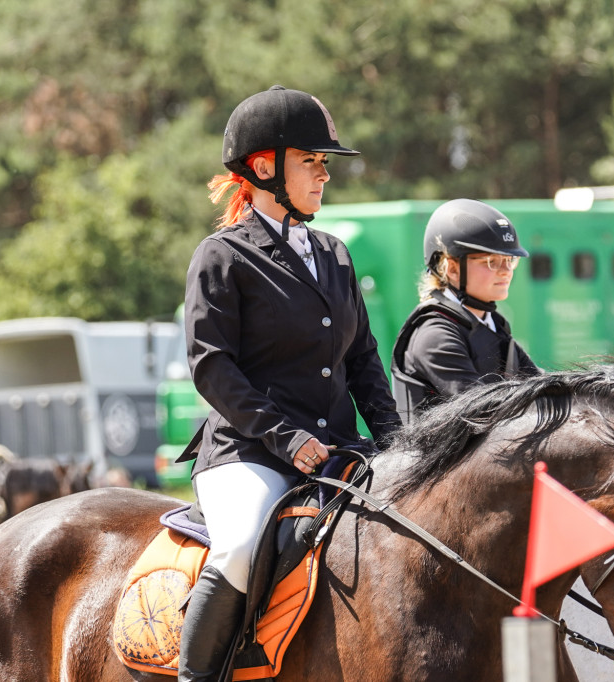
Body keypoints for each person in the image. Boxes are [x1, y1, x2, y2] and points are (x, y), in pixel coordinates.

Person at [176, 85, 401, 682]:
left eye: (325, 163)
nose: (324, 174)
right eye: (312, 161)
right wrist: (287, 438)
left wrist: (401, 443)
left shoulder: (335, 254)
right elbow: (211, 366)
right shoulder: (221, 256)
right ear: (263, 167)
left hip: (335, 448)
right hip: (250, 451)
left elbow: (363, 360)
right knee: (242, 544)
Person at [390, 198, 540, 422]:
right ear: (451, 268)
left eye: (509, 260)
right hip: (432, 457)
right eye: (491, 261)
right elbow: (481, 410)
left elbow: (542, 388)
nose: (506, 271)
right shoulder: (436, 333)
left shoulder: (492, 326)